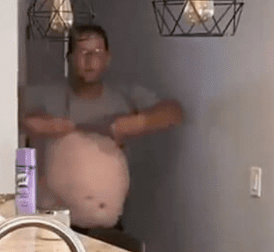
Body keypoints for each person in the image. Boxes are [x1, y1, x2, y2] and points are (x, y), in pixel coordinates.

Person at [20, 23, 183, 229]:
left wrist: (134, 123)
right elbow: (3, 110)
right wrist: (37, 123)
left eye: (97, 52)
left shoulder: (124, 97)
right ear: (70, 58)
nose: (90, 60)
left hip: (109, 228)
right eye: (83, 52)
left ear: (107, 58)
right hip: (54, 224)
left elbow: (174, 113)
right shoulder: (47, 95)